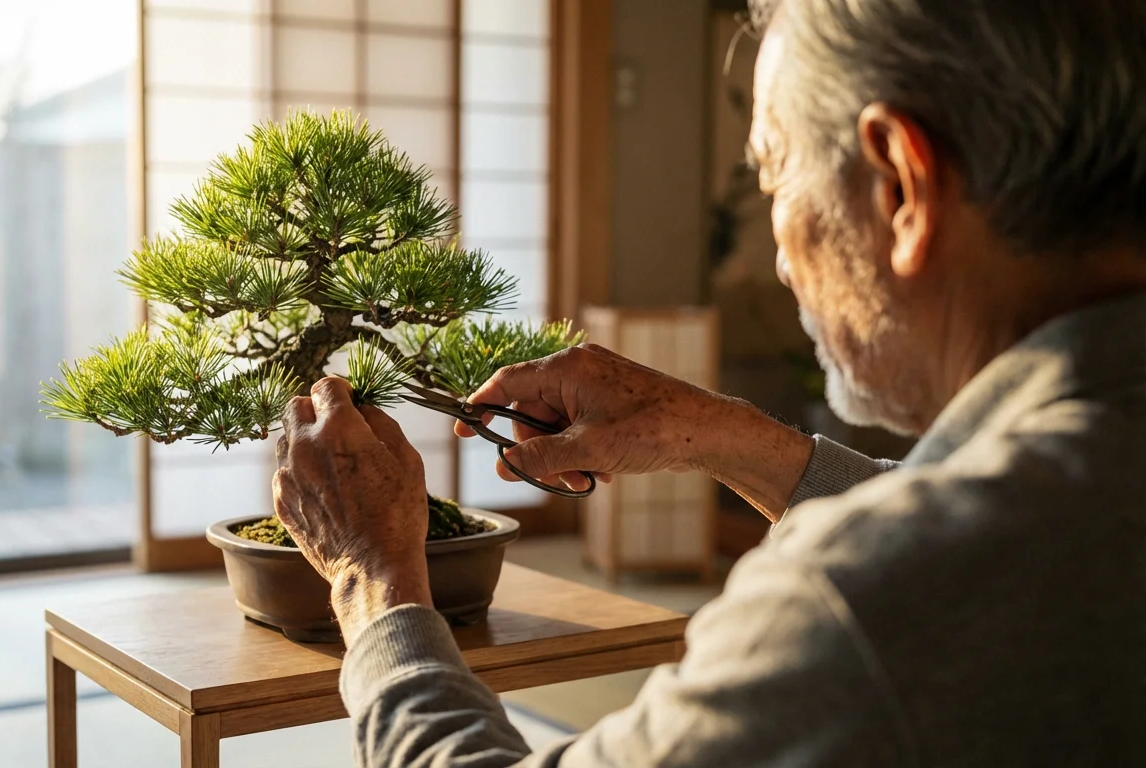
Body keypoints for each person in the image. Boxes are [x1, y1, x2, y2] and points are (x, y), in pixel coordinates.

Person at [270, 0, 1146, 764]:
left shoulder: (861, 601)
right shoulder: (1076, 482)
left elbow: (925, 567)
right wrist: (713, 429)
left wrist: (374, 577)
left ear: (899, 186)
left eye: (773, 174)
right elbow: (977, 536)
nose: (778, 255)